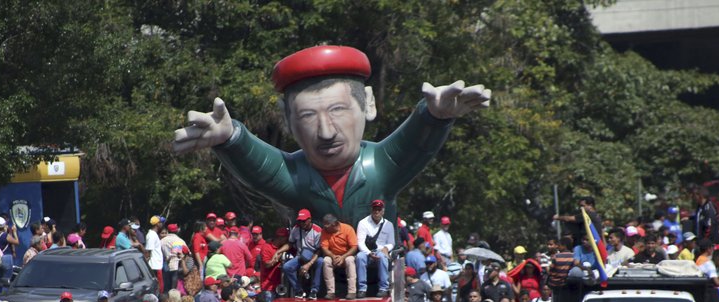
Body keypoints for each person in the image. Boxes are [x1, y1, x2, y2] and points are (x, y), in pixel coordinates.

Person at [173, 45, 491, 221]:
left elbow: (412, 147)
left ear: (367, 103)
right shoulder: (295, 176)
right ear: (287, 120)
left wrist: (434, 117)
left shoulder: (379, 166)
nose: (326, 132)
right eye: (308, 116)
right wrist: (230, 138)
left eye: (337, 111)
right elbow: (262, 170)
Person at [355, 199, 396, 297]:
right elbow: (360, 242)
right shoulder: (363, 223)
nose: (376, 211)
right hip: (367, 251)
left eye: (379, 209)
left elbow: (391, 242)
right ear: (371, 210)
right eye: (375, 209)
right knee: (360, 257)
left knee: (382, 257)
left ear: (383, 211)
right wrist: (369, 253)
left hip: (381, 250)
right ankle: (362, 289)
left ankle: (383, 288)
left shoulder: (388, 224)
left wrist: (386, 248)